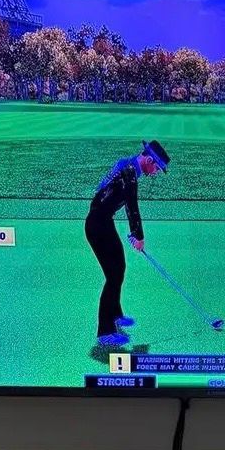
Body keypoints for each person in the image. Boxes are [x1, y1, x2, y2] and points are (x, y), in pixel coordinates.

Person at [84, 140, 170, 348]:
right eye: (157, 167)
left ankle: (115, 314)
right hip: (97, 226)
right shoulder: (130, 173)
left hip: (103, 221)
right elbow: (132, 207)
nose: (156, 172)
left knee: (119, 268)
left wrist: (133, 233)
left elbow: (105, 192)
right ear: (149, 160)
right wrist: (138, 236)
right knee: (113, 276)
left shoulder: (127, 164)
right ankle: (105, 332)